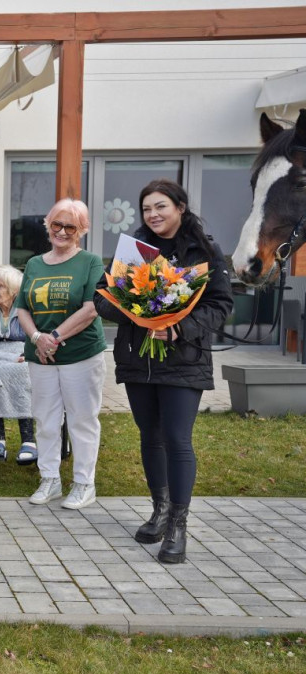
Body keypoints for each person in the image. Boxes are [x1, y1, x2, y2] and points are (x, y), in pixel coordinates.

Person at [95, 179, 233, 564]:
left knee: (176, 439)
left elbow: (221, 305)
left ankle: (177, 524)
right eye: (147, 209)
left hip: (184, 360)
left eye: (161, 207)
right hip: (139, 361)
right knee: (150, 437)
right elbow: (100, 299)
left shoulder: (205, 250)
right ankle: (158, 509)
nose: (153, 215)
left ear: (180, 207)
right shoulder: (133, 250)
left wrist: (176, 326)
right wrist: (135, 307)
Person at [15, 198, 106, 511]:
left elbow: (91, 308)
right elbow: (23, 307)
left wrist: (54, 336)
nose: (62, 231)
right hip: (40, 355)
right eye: (57, 224)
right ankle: (50, 479)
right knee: (46, 421)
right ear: (48, 225)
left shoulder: (91, 262)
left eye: (71, 226)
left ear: (81, 230)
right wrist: (38, 337)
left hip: (80, 355)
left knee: (82, 420)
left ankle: (84, 483)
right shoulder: (36, 263)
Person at [0, 264, 38, 465]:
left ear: (13, 291)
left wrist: (29, 353)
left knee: (22, 372)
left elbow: (35, 334)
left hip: (20, 353)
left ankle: (29, 441)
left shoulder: (26, 308)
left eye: (1, 286)